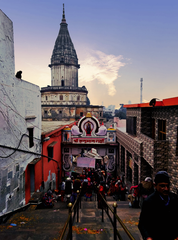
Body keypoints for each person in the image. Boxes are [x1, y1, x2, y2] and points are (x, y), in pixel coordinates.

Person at [138, 171, 178, 240]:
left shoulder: (174, 198)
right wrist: (148, 237)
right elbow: (142, 224)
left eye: (167, 186)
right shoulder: (149, 202)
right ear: (155, 185)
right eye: (162, 186)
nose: (166, 189)